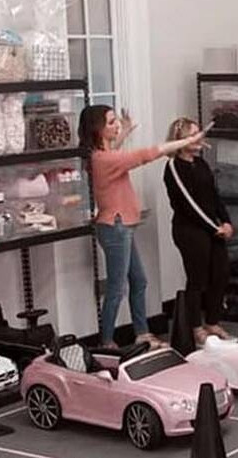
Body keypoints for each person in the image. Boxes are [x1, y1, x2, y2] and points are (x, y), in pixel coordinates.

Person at [78, 105, 207, 349]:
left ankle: (142, 333)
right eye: (111, 122)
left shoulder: (102, 156)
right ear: (98, 129)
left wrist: (125, 132)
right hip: (115, 227)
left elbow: (115, 154)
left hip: (121, 226)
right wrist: (186, 141)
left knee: (139, 281)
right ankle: (107, 341)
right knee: (117, 288)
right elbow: (147, 154)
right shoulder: (104, 160)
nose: (116, 125)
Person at [163, 117, 233, 346]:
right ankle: (196, 327)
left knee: (221, 272)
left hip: (213, 228)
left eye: (198, 133)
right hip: (190, 230)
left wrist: (226, 221)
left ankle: (212, 322)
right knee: (197, 278)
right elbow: (189, 204)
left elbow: (214, 195)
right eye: (192, 134)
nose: (199, 137)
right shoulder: (174, 167)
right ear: (181, 140)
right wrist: (214, 228)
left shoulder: (201, 163)